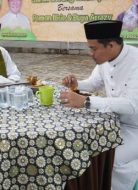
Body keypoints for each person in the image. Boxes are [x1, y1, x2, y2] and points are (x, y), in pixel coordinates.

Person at [60, 20, 138, 190]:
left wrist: (86, 102)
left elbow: (131, 106)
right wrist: (76, 83)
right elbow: (93, 83)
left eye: (93, 48)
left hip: (135, 129)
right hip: (113, 124)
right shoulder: (106, 60)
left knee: (107, 158)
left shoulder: (136, 62)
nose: (90, 53)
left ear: (110, 45)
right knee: (85, 148)